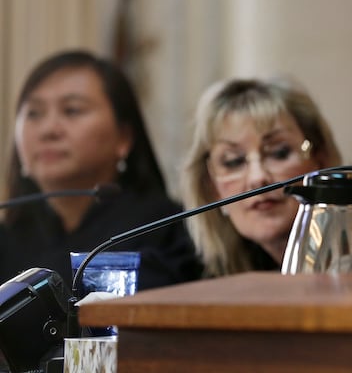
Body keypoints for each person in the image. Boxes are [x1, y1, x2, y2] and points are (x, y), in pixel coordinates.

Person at [181, 77, 352, 277]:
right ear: (212, 187)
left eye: (279, 152)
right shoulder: (215, 273)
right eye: (233, 161)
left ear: (321, 159)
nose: (258, 178)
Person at [0, 50, 201, 289]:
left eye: (72, 110)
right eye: (34, 113)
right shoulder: (7, 238)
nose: (49, 130)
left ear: (124, 138)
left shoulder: (168, 231)